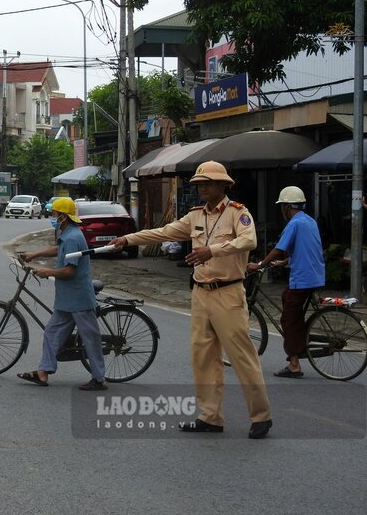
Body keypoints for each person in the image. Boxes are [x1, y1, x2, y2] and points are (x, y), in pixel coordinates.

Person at [110, 160, 273, 439]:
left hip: (229, 293)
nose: (202, 187)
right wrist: (128, 239)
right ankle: (210, 417)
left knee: (242, 357)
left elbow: (249, 242)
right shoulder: (195, 216)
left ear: (224, 185)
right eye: (199, 184)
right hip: (200, 293)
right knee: (203, 357)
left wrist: (213, 250)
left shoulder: (238, 213)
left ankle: (261, 416)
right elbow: (163, 232)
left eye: (208, 183)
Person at [17, 198, 106, 390]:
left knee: (90, 339)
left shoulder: (73, 237)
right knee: (51, 332)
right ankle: (44, 372)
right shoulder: (68, 234)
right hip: (66, 299)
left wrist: (47, 272)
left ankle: (99, 379)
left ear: (63, 217)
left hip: (79, 298)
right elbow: (59, 250)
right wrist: (35, 254)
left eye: (54, 214)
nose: (52, 217)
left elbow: (69, 271)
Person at [246, 186, 325, 378]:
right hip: (316, 276)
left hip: (302, 279)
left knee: (288, 320)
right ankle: (300, 341)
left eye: (282, 206)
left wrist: (260, 264)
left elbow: (279, 248)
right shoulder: (310, 221)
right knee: (290, 306)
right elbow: (306, 250)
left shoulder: (294, 224)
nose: (282, 210)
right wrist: (286, 262)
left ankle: (294, 365)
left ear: (288, 207)